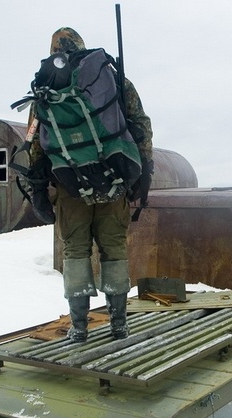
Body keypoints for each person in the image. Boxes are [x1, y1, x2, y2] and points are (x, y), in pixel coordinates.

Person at [30, 27, 153, 343]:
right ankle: (119, 324)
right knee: (114, 249)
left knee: (75, 252)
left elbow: (36, 144)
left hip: (70, 186)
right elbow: (141, 125)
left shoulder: (46, 90)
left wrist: (38, 191)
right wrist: (143, 173)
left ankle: (80, 327)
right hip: (114, 181)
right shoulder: (112, 79)